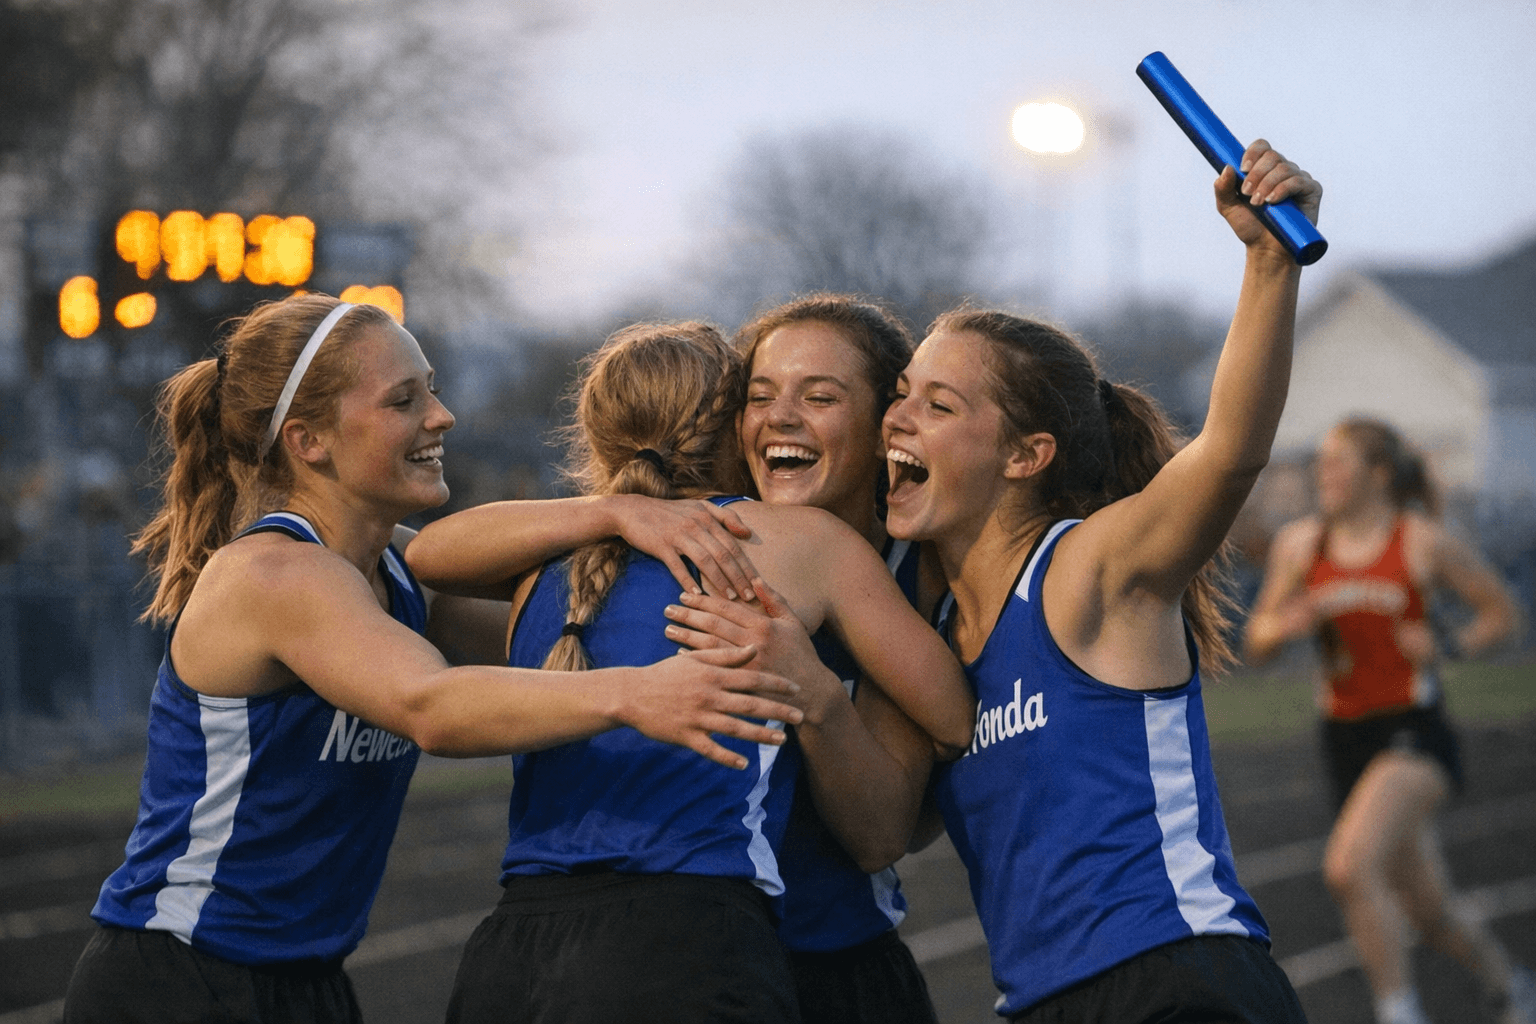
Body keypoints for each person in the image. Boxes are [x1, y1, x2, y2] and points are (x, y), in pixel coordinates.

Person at [61, 295, 803, 1024]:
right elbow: (433, 706)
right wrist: (635, 683)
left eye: (434, 390)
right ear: (308, 440)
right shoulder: (275, 574)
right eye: (403, 400)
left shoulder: (397, 573)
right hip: (178, 977)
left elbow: (560, 641)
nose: (441, 416)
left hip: (302, 979)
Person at [405, 320, 973, 1023]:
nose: (780, 417)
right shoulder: (797, 545)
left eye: (820, 396)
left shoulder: (544, 568)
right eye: (758, 396)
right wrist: (617, 511)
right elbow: (955, 717)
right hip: (692, 943)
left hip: (519, 944)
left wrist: (817, 692)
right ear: (729, 428)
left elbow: (425, 556)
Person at [877, 140, 1318, 1022]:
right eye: (900, 391)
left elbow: (1229, 454)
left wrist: (1270, 265)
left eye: (938, 405)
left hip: (1174, 980)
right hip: (1043, 1002)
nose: (897, 417)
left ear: (1026, 455)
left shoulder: (1086, 572)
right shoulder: (929, 642)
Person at [1243, 417, 1534, 1024]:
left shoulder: (1420, 541)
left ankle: (1399, 1012)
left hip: (1413, 731)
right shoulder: (1302, 545)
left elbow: (1503, 615)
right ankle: (1511, 986)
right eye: (1321, 462)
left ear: (1377, 474)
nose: (1322, 473)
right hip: (1343, 736)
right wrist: (1283, 626)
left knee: (1348, 867)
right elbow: (1258, 640)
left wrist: (1448, 644)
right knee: (1429, 909)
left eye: (1337, 462)